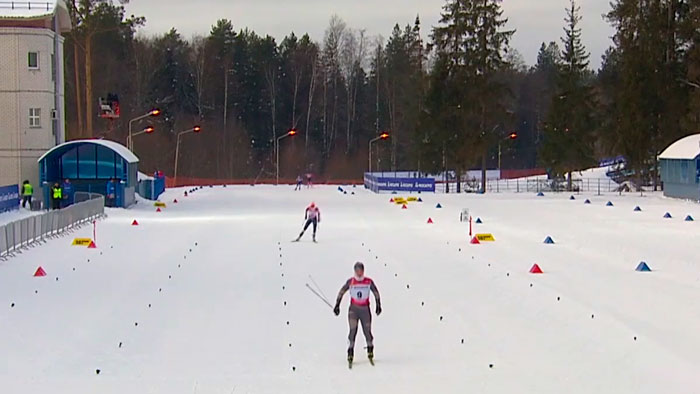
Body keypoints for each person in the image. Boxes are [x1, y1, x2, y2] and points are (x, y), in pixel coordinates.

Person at [334, 262, 381, 366]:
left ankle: (370, 349)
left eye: (361, 271)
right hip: (354, 310)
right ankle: (350, 352)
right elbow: (342, 292)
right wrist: (337, 305)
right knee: (352, 330)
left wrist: (378, 304)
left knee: (367, 331)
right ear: (354, 271)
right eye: (357, 271)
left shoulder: (368, 281)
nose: (359, 273)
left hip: (365, 310)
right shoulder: (351, 282)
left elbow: (376, 292)